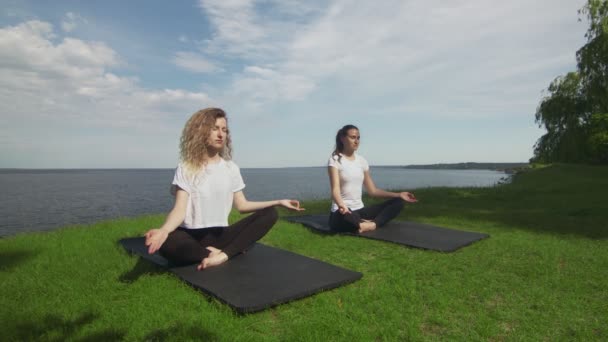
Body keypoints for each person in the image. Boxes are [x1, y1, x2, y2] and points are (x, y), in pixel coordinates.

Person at [145, 108, 304, 270]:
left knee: (270, 213)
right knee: (167, 244)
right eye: (214, 129)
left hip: (220, 235)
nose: (221, 134)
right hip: (189, 236)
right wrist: (164, 231)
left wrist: (278, 202)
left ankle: (222, 255)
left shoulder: (231, 168)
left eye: (224, 130)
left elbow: (242, 205)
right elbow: (179, 210)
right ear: (200, 131)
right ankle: (214, 253)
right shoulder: (186, 168)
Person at [328, 124, 417, 233]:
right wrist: (342, 205)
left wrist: (399, 194)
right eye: (352, 137)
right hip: (343, 212)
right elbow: (335, 190)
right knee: (343, 216)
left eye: (358, 138)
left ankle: (370, 224)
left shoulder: (362, 161)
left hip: (360, 211)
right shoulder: (335, 160)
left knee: (398, 202)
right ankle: (365, 223)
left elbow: (373, 191)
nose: (356, 141)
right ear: (342, 138)